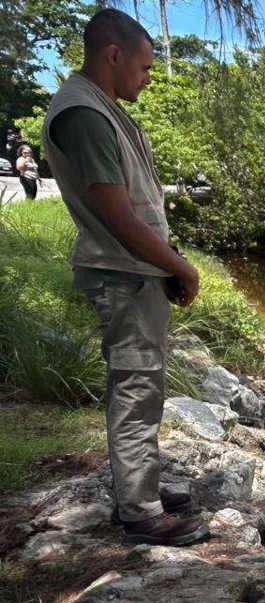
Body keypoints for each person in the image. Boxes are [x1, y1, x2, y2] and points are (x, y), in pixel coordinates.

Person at [42, 8, 206, 547]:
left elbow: (138, 205)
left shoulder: (102, 108)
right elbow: (116, 213)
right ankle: (140, 514)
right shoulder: (84, 115)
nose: (148, 76)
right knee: (135, 387)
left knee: (144, 385)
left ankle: (142, 489)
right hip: (123, 274)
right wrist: (178, 264)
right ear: (112, 54)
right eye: (143, 65)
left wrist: (167, 261)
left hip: (137, 271)